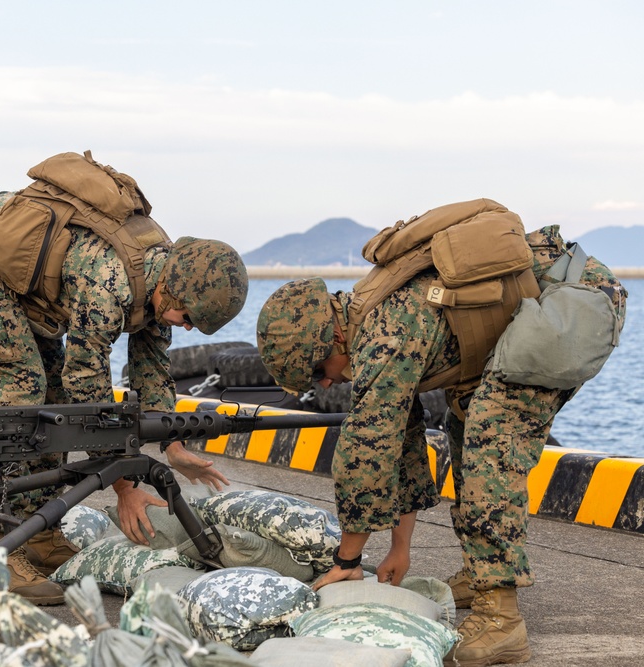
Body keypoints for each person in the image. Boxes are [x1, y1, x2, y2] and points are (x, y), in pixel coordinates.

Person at [256, 223, 627, 667]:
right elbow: (402, 441)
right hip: (545, 304)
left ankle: (502, 620)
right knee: (464, 424)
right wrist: (400, 549)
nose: (328, 382)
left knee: (491, 439)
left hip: (571, 302)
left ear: (331, 338)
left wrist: (347, 559)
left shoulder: (386, 333)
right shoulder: (370, 325)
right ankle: (481, 572)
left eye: (319, 371)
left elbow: (367, 450)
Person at [0, 179, 248, 604]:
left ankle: (39, 533)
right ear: (172, 289)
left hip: (29, 283)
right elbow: (87, 389)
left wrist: (173, 446)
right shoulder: (108, 283)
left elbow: (152, 370)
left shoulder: (162, 279)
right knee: (19, 393)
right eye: (189, 317)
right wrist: (122, 485)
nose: (189, 327)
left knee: (52, 404)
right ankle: (1, 549)